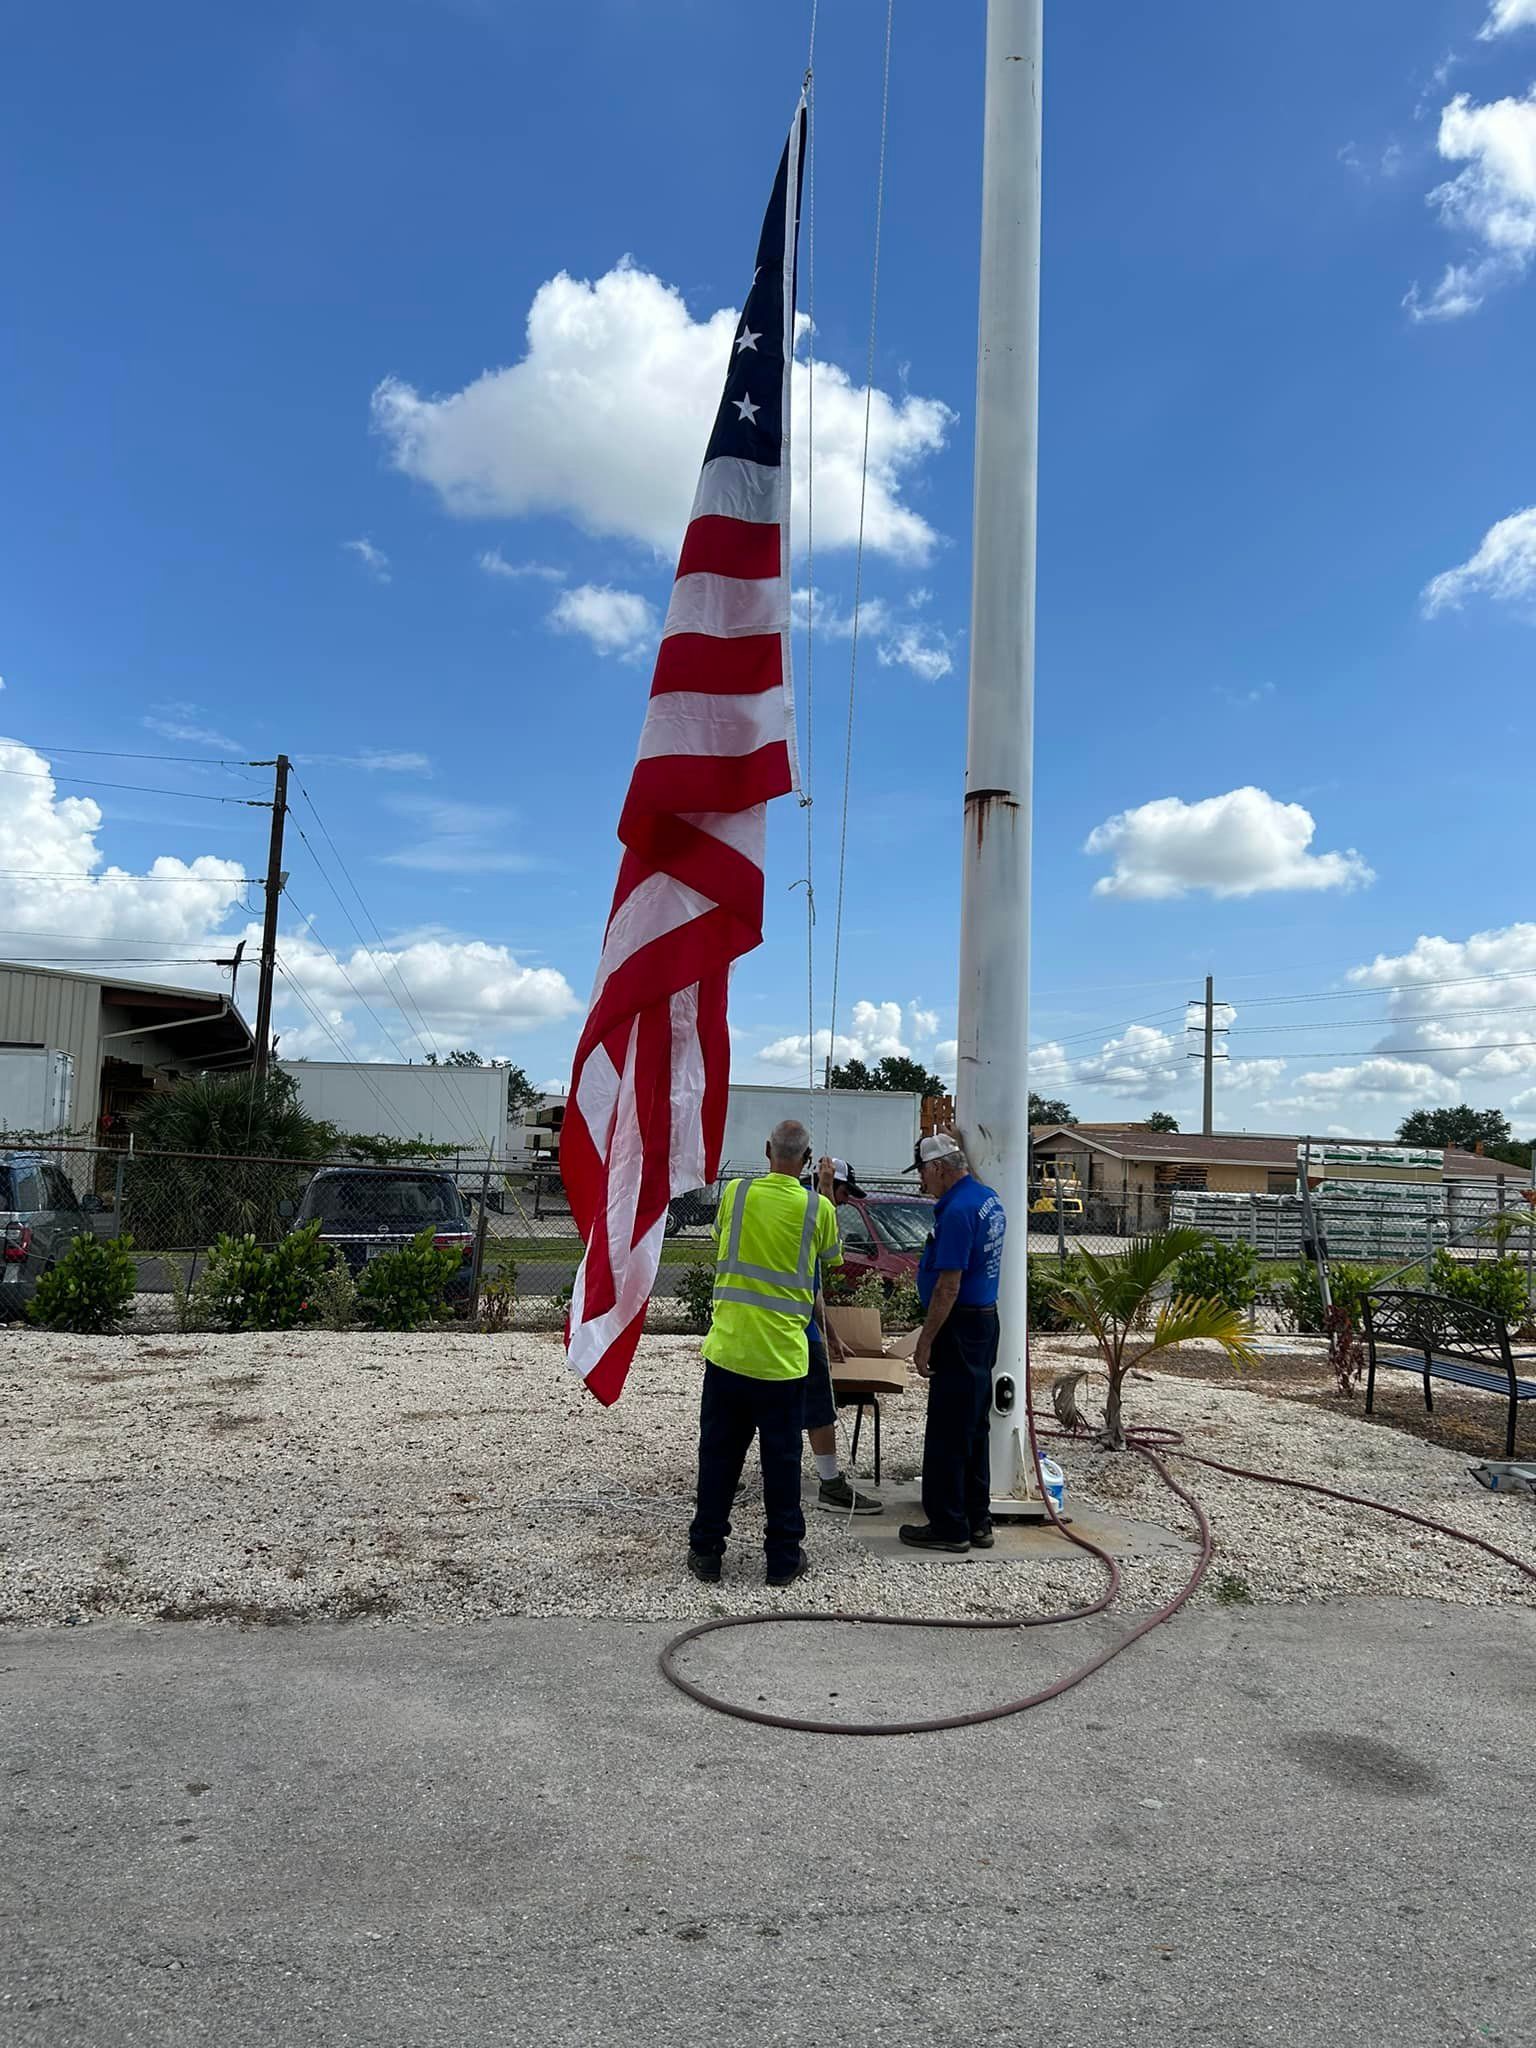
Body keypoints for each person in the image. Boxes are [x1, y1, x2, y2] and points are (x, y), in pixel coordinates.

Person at [687, 1119, 843, 1588]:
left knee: (718, 1458)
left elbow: (722, 1240)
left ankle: (707, 1553)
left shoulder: (736, 1194)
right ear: (807, 1159)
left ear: (766, 1149)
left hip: (730, 1351)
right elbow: (829, 1260)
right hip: (783, 1361)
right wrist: (826, 1188)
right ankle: (781, 1560)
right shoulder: (819, 1210)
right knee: (781, 1465)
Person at [899, 1132, 1007, 1555]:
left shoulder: (959, 1212)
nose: (922, 1183)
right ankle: (977, 1519)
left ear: (940, 1168)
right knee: (973, 1426)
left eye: (924, 1173)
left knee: (947, 1429)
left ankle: (948, 1525)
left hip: (960, 1328)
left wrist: (925, 1342)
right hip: (983, 1324)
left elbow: (947, 1286)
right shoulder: (984, 1197)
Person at [802, 1157, 881, 1515]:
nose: (846, 1202)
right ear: (829, 1182)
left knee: (749, 1406)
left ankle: (724, 1478)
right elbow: (826, 1264)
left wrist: (831, 1332)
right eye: (844, 1193)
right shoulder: (814, 1211)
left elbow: (811, 1286)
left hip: (772, 1330)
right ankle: (831, 1484)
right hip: (795, 1333)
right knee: (819, 1407)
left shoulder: (803, 1207)